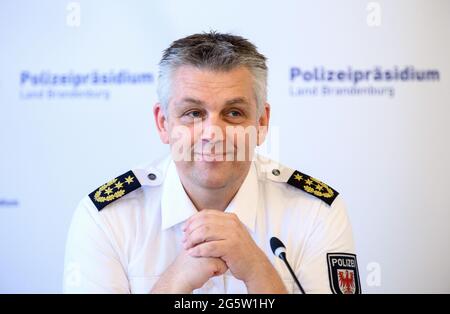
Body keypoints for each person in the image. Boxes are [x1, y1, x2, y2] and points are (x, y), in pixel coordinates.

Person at [63, 31, 361, 294]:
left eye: (233, 113)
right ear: (163, 123)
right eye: (193, 113)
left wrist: (259, 272)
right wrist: (174, 282)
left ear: (261, 122)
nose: (213, 134)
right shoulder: (107, 219)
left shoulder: (316, 212)